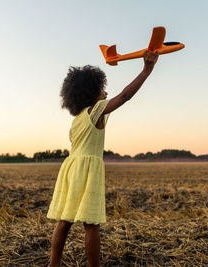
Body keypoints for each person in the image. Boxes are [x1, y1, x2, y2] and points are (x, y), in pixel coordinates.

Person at [46, 50, 159, 267]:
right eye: (101, 90)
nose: (106, 93)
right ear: (91, 94)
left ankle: (54, 264)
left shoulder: (77, 119)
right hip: (87, 170)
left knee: (64, 221)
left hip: (70, 169)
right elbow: (124, 96)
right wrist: (145, 72)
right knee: (92, 224)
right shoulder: (95, 110)